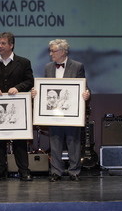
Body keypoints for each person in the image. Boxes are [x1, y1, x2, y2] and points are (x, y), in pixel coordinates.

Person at [31, 39, 90, 182]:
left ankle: (74, 171)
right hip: (53, 113)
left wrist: (86, 93)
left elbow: (84, 87)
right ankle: (56, 171)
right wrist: (36, 93)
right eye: (50, 51)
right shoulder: (48, 67)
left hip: (71, 114)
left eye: (53, 51)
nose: (51, 54)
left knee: (73, 142)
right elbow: (45, 89)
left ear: (62, 51)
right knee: (55, 142)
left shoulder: (77, 66)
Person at [0, 32, 34, 181]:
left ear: (11, 45)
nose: (0, 46)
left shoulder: (23, 62)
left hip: (17, 109)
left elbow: (29, 81)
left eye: (3, 43)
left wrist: (18, 88)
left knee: (19, 140)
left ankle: (24, 170)